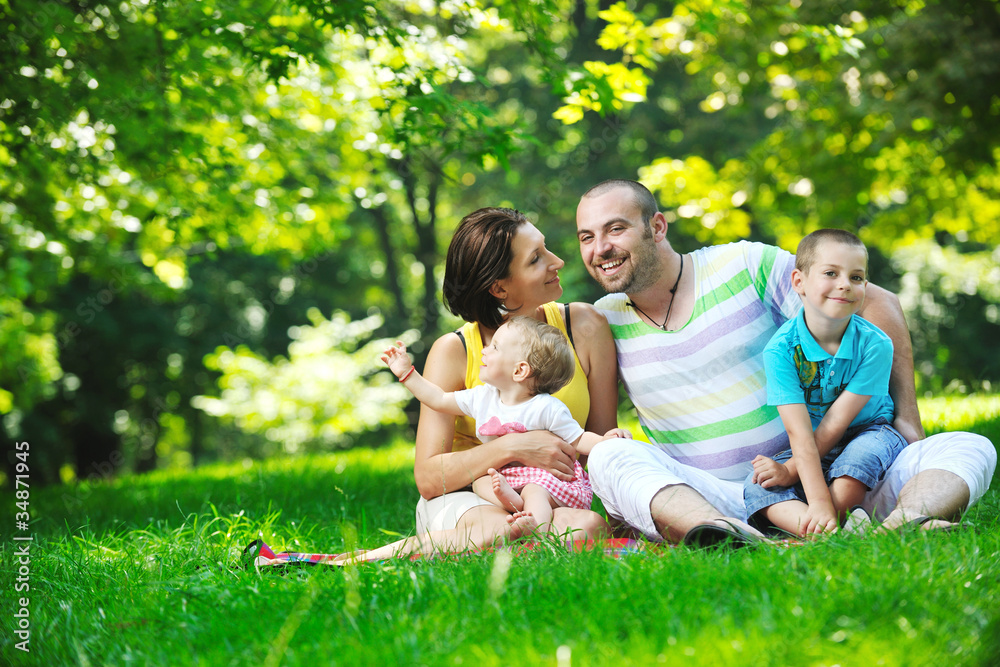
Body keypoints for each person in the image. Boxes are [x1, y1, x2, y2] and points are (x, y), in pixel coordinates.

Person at [575, 179, 996, 546]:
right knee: (611, 457)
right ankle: (731, 535)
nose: (601, 249)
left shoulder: (742, 264)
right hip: (717, 497)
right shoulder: (603, 319)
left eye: (616, 228)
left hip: (835, 472)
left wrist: (907, 418)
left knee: (969, 446)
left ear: (657, 227)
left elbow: (876, 303)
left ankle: (902, 526)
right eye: (586, 237)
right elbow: (599, 432)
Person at [339, 206, 621, 562]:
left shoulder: (583, 326)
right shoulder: (455, 350)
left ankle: (505, 544)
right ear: (499, 287)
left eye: (545, 248)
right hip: (468, 497)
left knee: (588, 527)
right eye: (536, 259)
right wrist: (514, 447)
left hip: (543, 495)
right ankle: (361, 560)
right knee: (496, 529)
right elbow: (429, 478)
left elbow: (601, 450)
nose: (558, 261)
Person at [381, 316, 631, 537]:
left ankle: (539, 532)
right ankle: (516, 509)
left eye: (495, 347)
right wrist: (407, 374)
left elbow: (577, 439)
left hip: (546, 480)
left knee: (535, 491)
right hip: (511, 479)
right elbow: (438, 398)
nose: (485, 350)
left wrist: (605, 440)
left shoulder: (545, 408)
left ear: (520, 370)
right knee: (480, 482)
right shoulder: (482, 397)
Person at [744, 229, 907, 537]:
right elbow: (799, 433)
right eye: (831, 273)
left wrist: (793, 474)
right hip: (810, 441)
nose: (845, 284)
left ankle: (820, 526)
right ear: (799, 282)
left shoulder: (876, 345)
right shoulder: (781, 351)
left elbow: (837, 421)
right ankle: (832, 530)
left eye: (856, 277)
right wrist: (787, 472)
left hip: (869, 430)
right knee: (757, 487)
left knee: (856, 464)